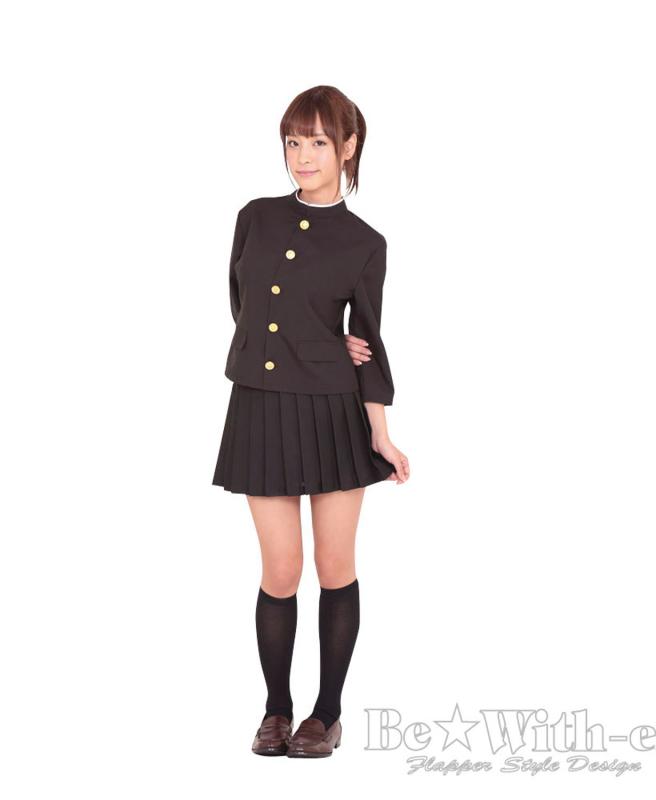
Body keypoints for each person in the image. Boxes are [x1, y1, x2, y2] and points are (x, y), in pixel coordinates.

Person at [212, 85, 410, 758]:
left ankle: (325, 715)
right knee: (280, 569)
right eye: (293, 141)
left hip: (332, 413)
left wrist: (380, 431)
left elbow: (369, 340)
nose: (302, 155)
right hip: (260, 405)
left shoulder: (365, 243)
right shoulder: (255, 217)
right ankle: (276, 710)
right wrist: (311, 340)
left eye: (319, 142)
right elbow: (243, 305)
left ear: (348, 147)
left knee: (333, 564)